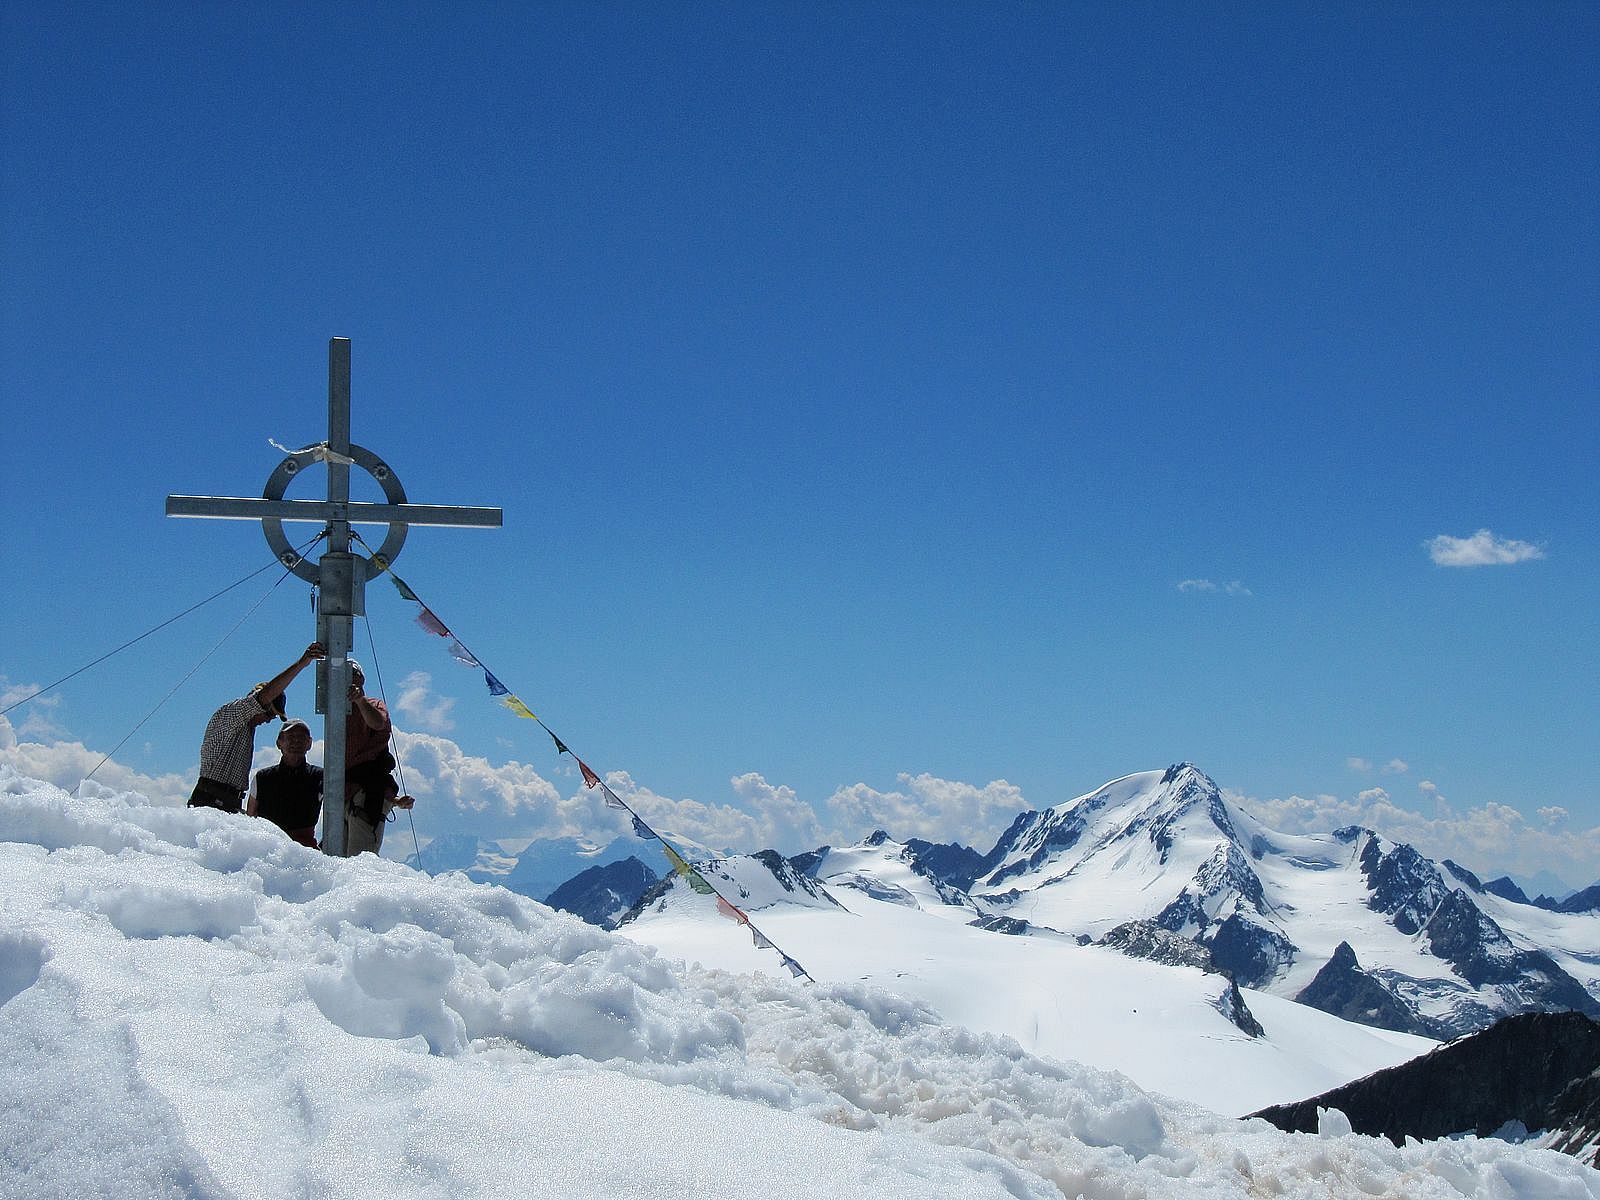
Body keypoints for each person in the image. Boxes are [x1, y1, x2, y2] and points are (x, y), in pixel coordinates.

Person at [188, 643, 324, 814]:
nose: (267, 721)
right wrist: (301, 664)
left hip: (228, 802)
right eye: (269, 715)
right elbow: (263, 697)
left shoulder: (246, 728)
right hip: (211, 800)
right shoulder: (232, 714)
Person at [341, 659, 413, 855]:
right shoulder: (335, 709)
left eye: (352, 674)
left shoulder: (374, 704)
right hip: (342, 793)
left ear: (361, 679)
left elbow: (378, 723)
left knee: (358, 862)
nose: (348, 679)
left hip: (366, 795)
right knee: (335, 859)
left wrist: (359, 700)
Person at [247, 719, 323, 847]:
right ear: (279, 743)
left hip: (305, 849)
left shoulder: (320, 776)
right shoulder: (262, 778)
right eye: (290, 737)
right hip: (268, 848)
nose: (296, 741)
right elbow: (250, 815)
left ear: (309, 743)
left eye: (301, 737)